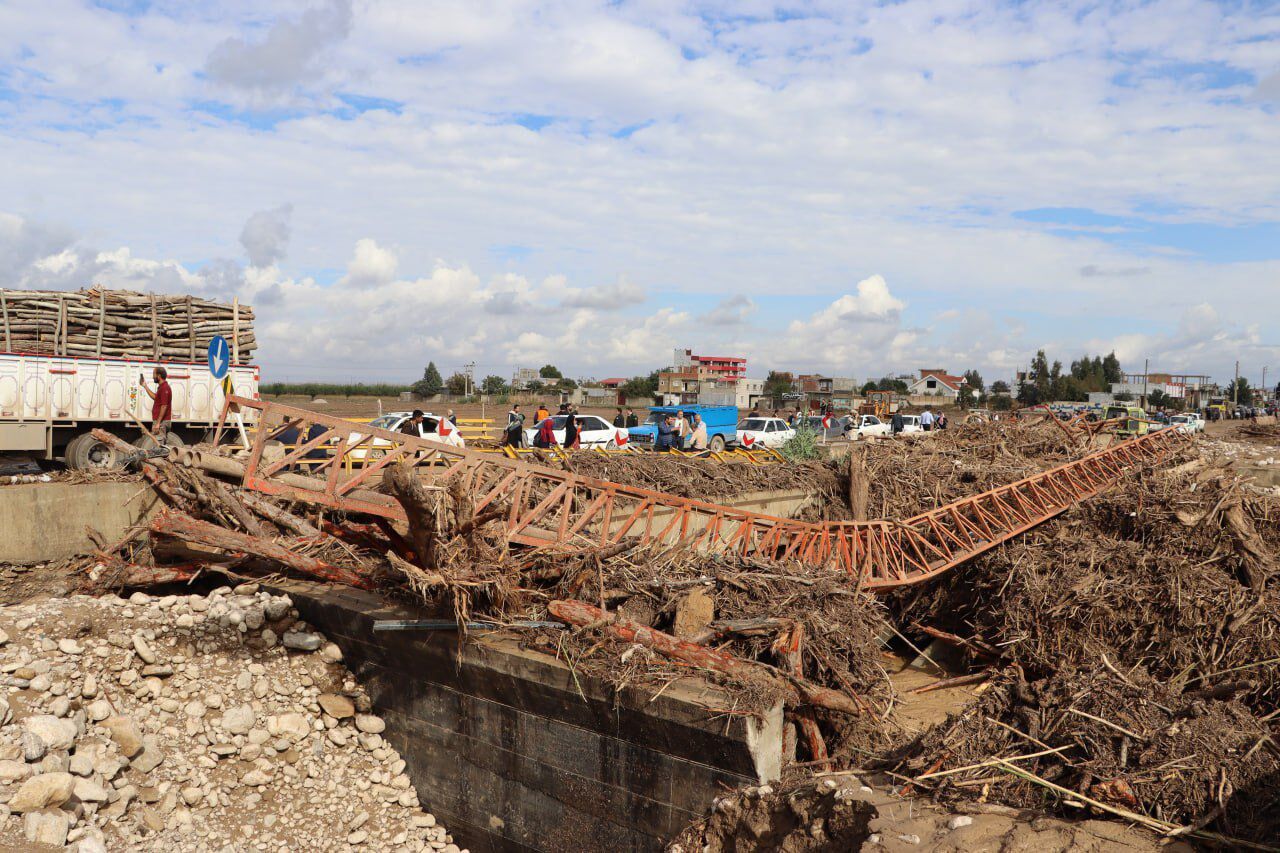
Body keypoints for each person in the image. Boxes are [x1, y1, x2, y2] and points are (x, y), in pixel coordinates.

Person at [140, 365, 173, 444]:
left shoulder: (165, 388)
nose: (153, 377)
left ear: (159, 376)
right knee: (158, 446)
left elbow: (164, 406)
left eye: (154, 374)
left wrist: (158, 423)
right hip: (161, 422)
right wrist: (145, 386)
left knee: (158, 447)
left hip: (162, 422)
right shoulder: (161, 387)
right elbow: (155, 397)